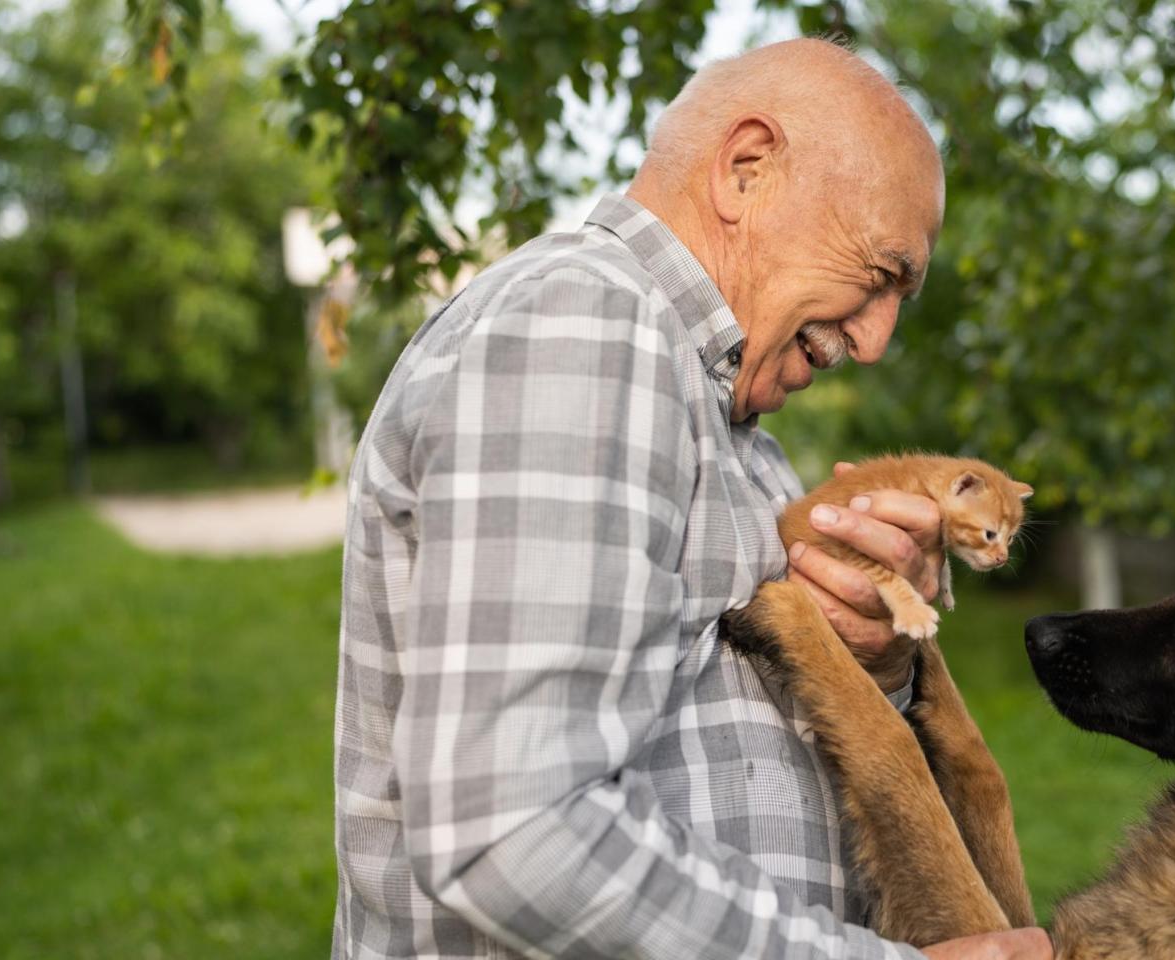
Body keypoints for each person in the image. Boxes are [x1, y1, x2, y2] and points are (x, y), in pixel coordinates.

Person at [332, 37, 1051, 960]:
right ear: (746, 169)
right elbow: (512, 829)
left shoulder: (726, 416)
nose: (876, 340)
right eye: (882, 273)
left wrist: (875, 658)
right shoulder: (584, 324)